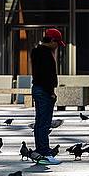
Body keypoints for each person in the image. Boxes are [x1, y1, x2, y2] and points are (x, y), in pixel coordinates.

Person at [30, 28, 65, 165]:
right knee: (44, 122)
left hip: (39, 89)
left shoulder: (37, 51)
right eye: (57, 43)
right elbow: (45, 75)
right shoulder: (44, 54)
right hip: (43, 91)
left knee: (40, 122)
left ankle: (42, 150)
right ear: (51, 40)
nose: (57, 46)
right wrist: (51, 92)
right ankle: (44, 152)